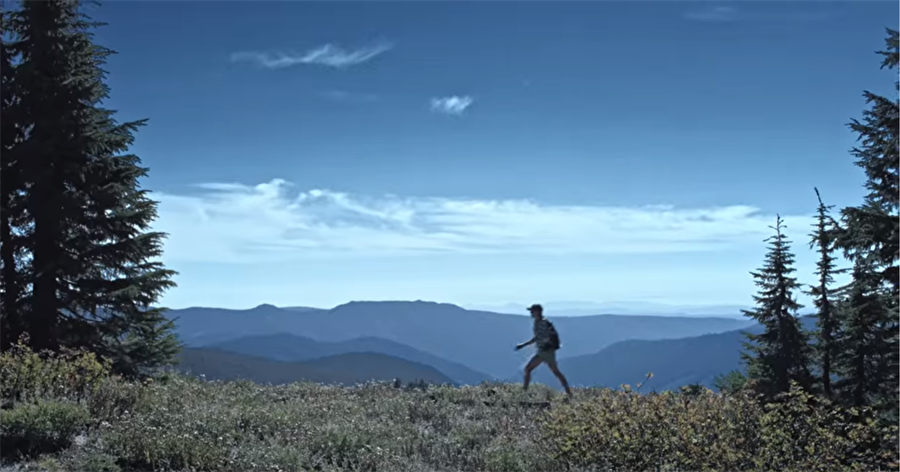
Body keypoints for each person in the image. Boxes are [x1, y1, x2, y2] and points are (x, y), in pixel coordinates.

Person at [515, 303, 572, 396]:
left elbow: (539, 338)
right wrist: (524, 345)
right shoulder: (541, 322)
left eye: (532, 311)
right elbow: (538, 337)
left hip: (545, 352)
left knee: (529, 369)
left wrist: (524, 345)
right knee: (555, 372)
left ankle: (524, 392)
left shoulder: (542, 323)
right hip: (545, 351)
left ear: (537, 312)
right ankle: (568, 392)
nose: (531, 313)